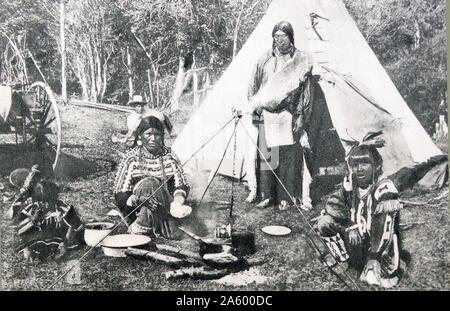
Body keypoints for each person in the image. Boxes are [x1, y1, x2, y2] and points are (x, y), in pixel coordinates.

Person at [315, 131, 404, 288]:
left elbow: (383, 227)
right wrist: (350, 225)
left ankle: (373, 263)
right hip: (355, 238)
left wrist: (374, 255)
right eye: (355, 165)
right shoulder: (351, 184)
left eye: (364, 163)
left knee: (376, 280)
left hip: (379, 246)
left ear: (376, 165)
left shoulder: (384, 188)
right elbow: (334, 204)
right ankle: (344, 260)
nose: (359, 169)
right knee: (324, 222)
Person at [246, 21, 313, 210]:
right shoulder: (265, 60)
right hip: (267, 113)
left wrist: (300, 117)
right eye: (276, 37)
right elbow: (253, 86)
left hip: (287, 113)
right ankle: (267, 195)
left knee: (287, 156)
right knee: (267, 154)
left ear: (291, 38)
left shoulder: (300, 60)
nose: (279, 41)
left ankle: (286, 196)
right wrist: (255, 107)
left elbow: (306, 93)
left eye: (283, 37)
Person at [113, 113, 190, 238]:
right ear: (140, 136)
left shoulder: (170, 156)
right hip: (137, 208)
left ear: (162, 137)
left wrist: (177, 203)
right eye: (148, 134)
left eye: (157, 134)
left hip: (165, 208)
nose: (153, 139)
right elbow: (120, 193)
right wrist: (139, 200)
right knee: (149, 183)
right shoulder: (131, 158)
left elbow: (181, 185)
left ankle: (143, 228)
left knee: (152, 184)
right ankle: (146, 224)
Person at [7, 165, 84, 262]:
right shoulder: (31, 209)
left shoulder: (61, 209)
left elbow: (74, 225)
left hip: (57, 240)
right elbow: (19, 228)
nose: (43, 204)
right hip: (36, 240)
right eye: (39, 201)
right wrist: (33, 221)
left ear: (54, 198)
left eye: (46, 201)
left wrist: (66, 243)